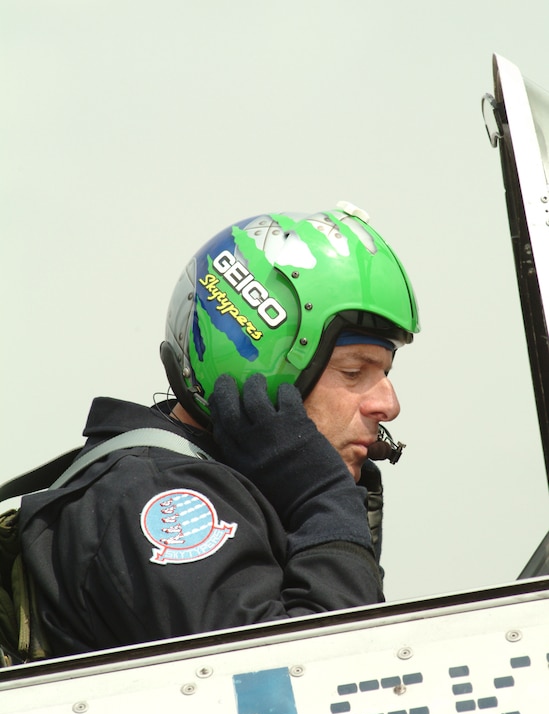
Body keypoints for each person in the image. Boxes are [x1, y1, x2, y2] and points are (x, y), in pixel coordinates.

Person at [19, 202, 419, 657]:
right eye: (354, 373)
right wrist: (325, 502)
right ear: (256, 366)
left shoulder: (223, 490)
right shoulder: (160, 500)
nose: (388, 404)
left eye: (385, 374)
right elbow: (308, 683)